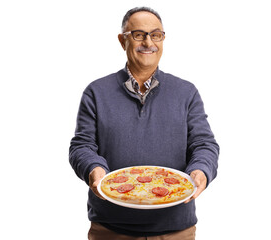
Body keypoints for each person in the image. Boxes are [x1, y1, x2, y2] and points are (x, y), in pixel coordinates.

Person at [69, 6, 220, 240]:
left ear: (162, 40)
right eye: (138, 34)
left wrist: (201, 170)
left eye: (156, 34)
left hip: (176, 230)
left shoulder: (187, 92)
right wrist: (94, 170)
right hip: (110, 230)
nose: (148, 42)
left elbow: (203, 144)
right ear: (123, 41)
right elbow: (82, 146)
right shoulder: (96, 92)